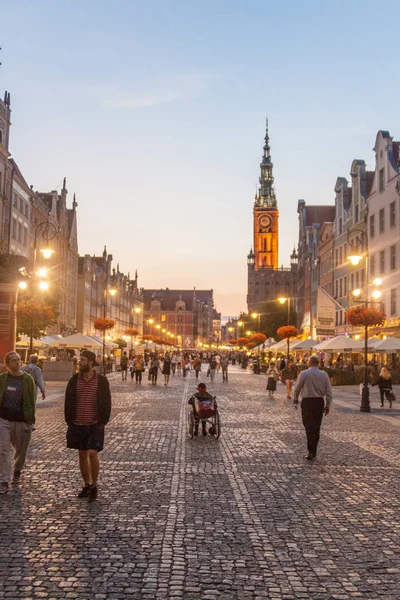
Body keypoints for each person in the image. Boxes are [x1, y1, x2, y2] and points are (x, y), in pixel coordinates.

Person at [65, 350, 111, 501]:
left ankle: (94, 485)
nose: (80, 362)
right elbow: (68, 401)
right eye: (80, 360)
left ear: (91, 363)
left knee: (92, 453)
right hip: (78, 423)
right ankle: (86, 484)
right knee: (82, 454)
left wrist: (103, 421)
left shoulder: (101, 381)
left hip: (95, 423)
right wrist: (69, 420)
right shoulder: (74, 380)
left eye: (83, 360)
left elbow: (107, 401)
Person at [0, 351, 36, 493]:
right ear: (7, 364)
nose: (17, 363)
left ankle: (17, 470)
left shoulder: (27, 379)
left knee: (21, 450)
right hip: (4, 418)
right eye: (14, 360)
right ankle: (4, 480)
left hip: (21, 420)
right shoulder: (2, 378)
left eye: (19, 360)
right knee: (3, 449)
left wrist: (31, 421)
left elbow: (31, 401)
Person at [294, 355, 332, 460]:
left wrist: (295, 399)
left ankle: (311, 450)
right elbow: (329, 391)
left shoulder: (304, 373)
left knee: (308, 426)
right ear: (318, 363)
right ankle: (313, 450)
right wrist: (328, 404)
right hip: (319, 402)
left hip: (307, 402)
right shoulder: (324, 374)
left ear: (309, 363)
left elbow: (297, 388)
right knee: (316, 427)